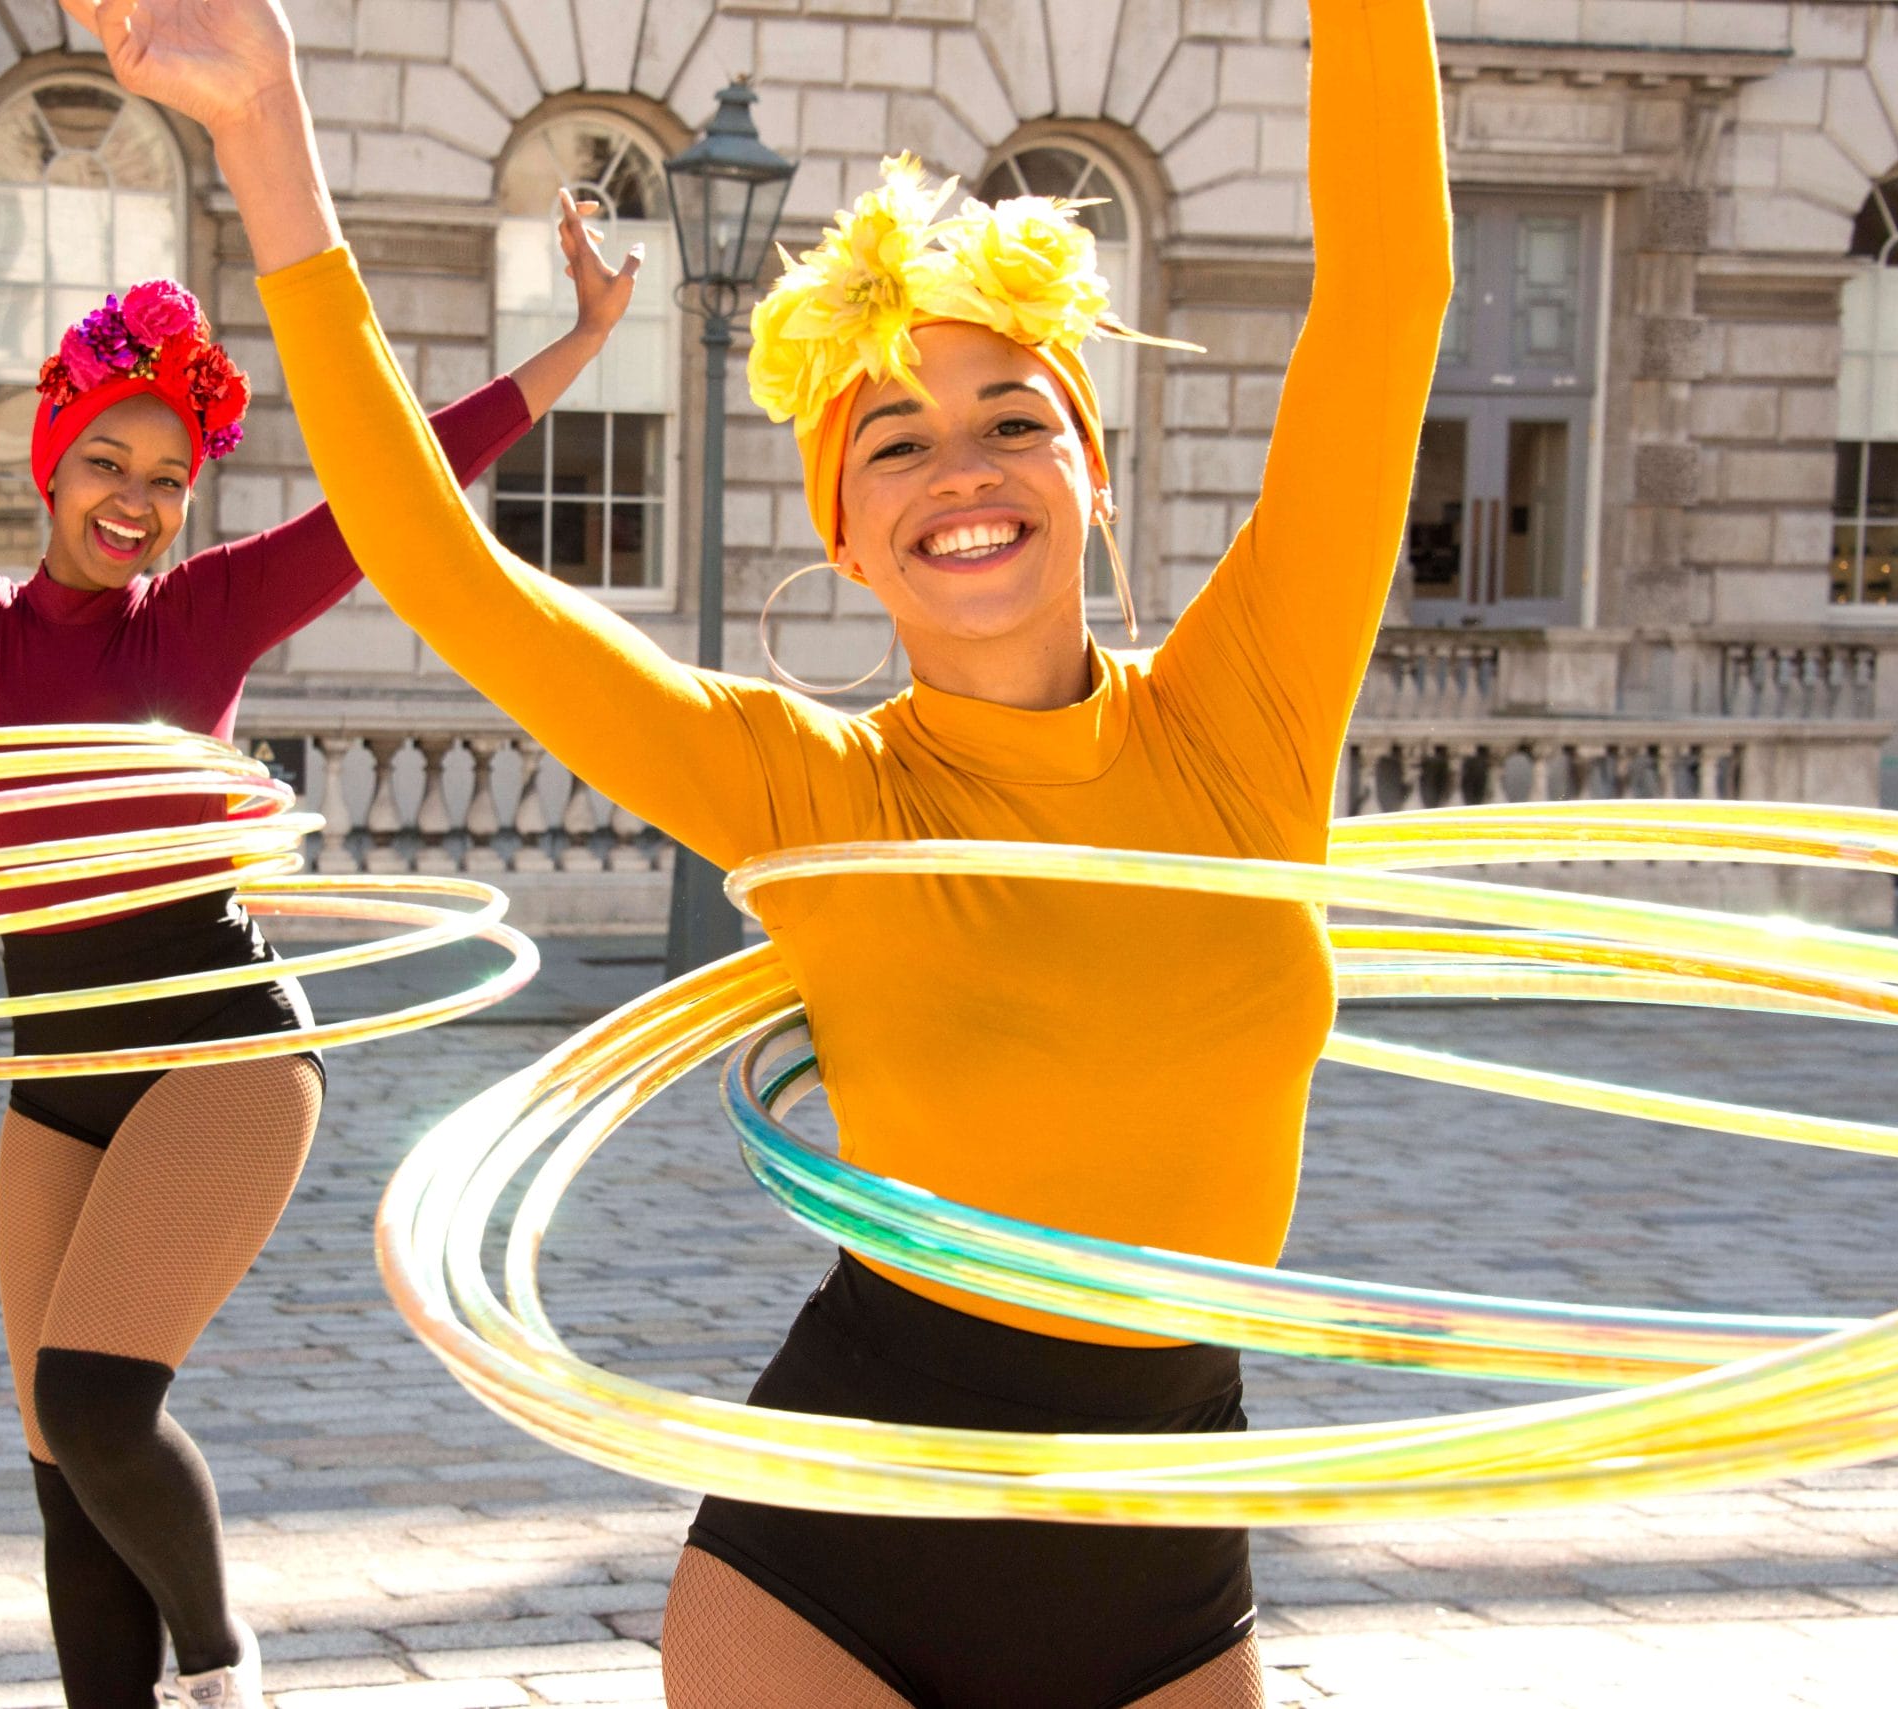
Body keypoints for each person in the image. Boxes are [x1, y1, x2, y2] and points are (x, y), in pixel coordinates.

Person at [75, 0, 1450, 1701]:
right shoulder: (808, 790)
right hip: (839, 1554)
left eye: (1014, 416)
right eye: (897, 440)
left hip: (1166, 1533)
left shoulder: (1250, 712)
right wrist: (265, 127)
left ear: (1091, 464)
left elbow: (1387, 303)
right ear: (848, 534)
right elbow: (440, 568)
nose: (965, 467)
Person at [0, 10, 635, 1707]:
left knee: (101, 1403)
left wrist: (576, 346)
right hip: (59, 1074)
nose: (138, 498)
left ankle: (227, 1672)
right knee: (55, 1457)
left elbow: (404, 494)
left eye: (168, 477)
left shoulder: (214, 611)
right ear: (53, 457)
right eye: (109, 460)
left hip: (227, 1057)